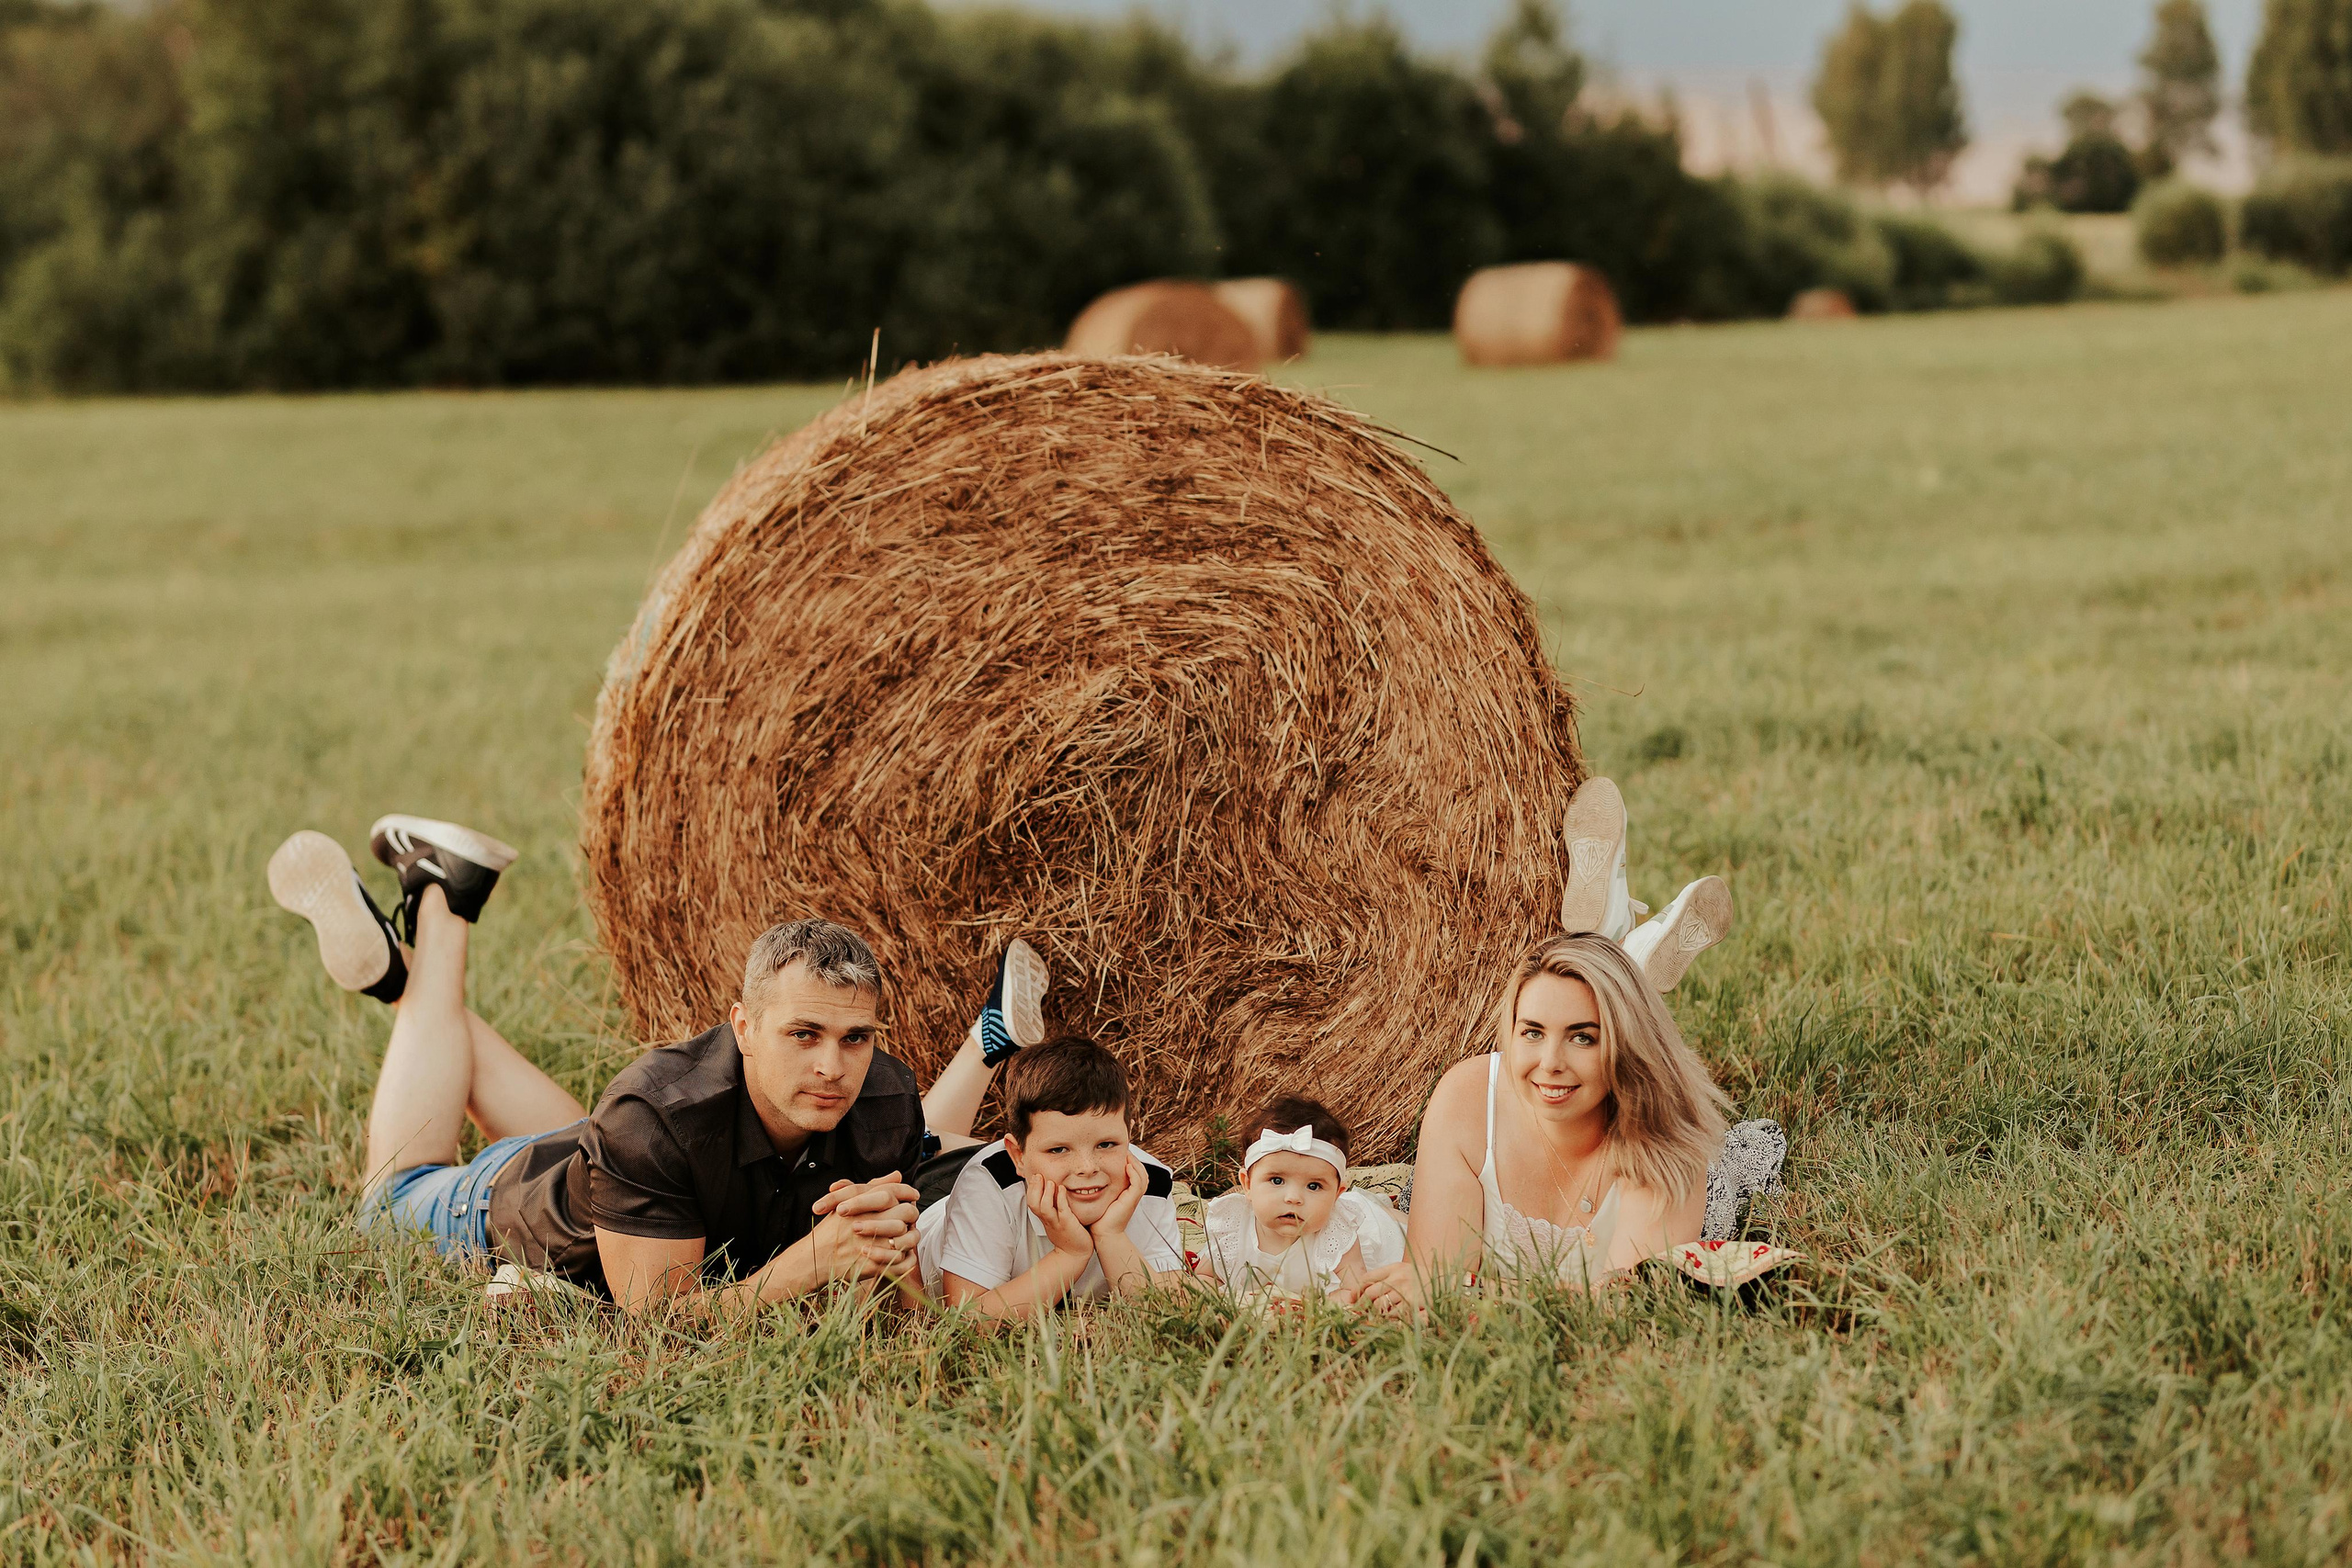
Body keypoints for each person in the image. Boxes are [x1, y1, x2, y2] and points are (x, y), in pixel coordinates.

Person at [266, 816, 929, 1314]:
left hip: (608, 1165)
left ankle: (401, 970)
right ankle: (444, 904)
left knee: (619, 1137)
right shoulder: (654, 1118)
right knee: (387, 1200)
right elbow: (661, 1328)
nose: (833, 1067)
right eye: (804, 1033)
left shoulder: (887, 1100)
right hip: (502, 1203)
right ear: (744, 1029)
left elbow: (905, 1303)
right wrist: (808, 1264)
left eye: (855, 1038)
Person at [914, 1036, 1188, 1317]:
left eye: (1106, 1145)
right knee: (922, 1153)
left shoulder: (1150, 1182)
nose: (1087, 1167)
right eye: (1058, 1149)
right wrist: (1070, 1254)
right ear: (1018, 1155)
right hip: (935, 1196)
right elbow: (969, 1318)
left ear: (1129, 1134)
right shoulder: (986, 1188)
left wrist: (1111, 1234)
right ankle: (927, 1140)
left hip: (1024, 1171)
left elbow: (1165, 1311)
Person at [1193, 1096, 1405, 1301]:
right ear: (1247, 1185)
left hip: (1371, 1226)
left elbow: (1355, 1290)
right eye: (1276, 1181)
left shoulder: (1338, 1234)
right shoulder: (1233, 1228)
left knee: (1392, 1223)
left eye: (1314, 1186)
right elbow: (1205, 1276)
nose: (1293, 1198)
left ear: (1336, 1196)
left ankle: (1387, 1210)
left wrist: (1322, 1307)